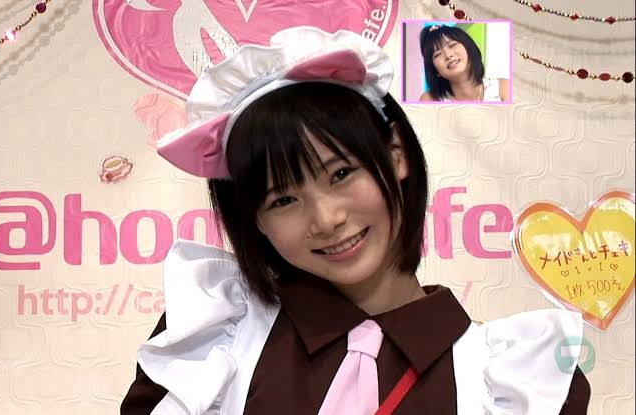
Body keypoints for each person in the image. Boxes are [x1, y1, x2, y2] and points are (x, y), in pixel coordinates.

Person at [121, 26, 589, 414]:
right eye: (283, 200)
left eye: (341, 174)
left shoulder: (519, 383)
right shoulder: (214, 339)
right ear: (255, 220)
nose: (326, 219)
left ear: (396, 154)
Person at [418, 25, 509, 102]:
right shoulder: (429, 100)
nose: (448, 55)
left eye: (452, 45)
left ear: (469, 49)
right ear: (435, 70)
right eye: (437, 54)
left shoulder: (502, 87)